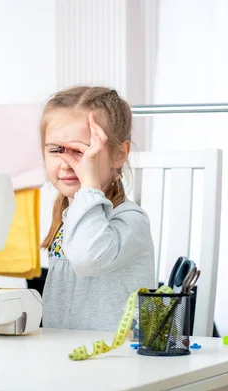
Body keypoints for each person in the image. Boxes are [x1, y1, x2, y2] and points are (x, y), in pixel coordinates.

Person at [39, 85, 155, 331]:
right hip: (65, 353)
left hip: (117, 358)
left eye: (82, 152)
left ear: (119, 155)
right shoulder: (69, 216)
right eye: (56, 150)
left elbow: (88, 259)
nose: (66, 163)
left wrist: (89, 186)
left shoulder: (131, 220)